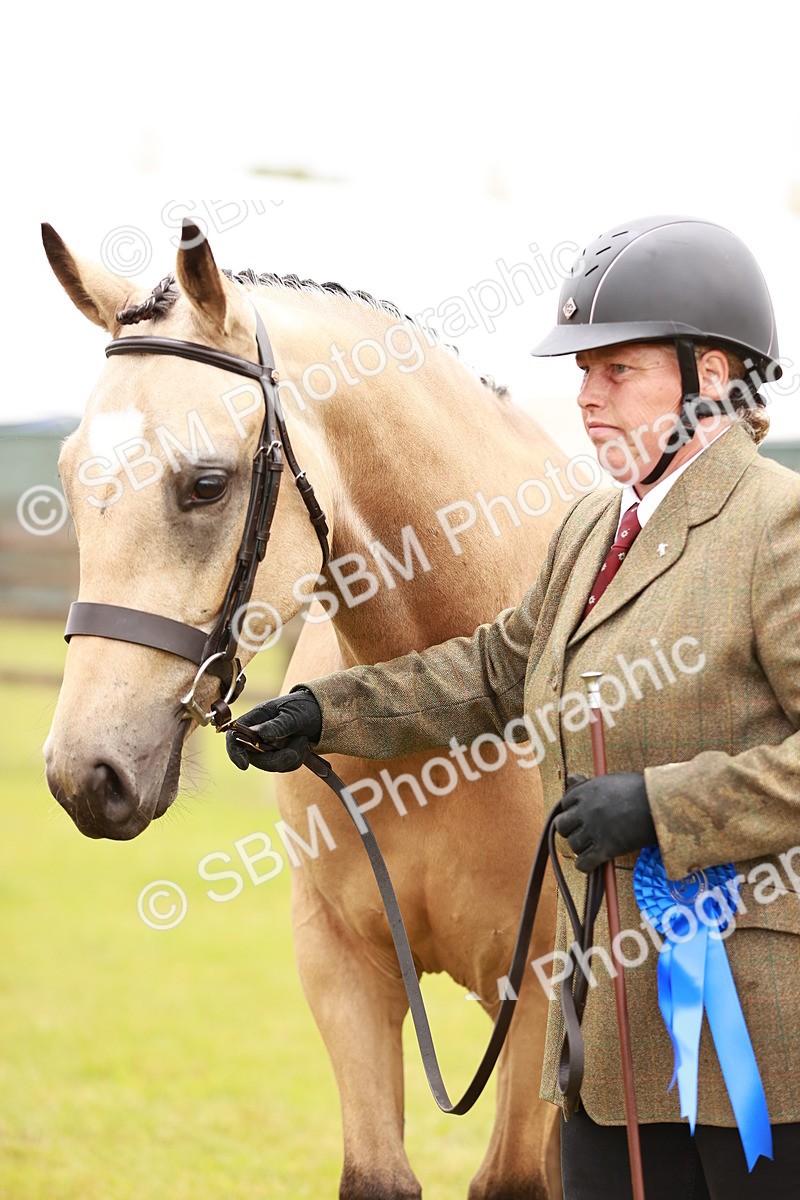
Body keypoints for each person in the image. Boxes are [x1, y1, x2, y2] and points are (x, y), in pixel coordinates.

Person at [226, 215, 800, 1199]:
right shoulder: (591, 529)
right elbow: (494, 671)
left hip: (750, 1027)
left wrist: (659, 807)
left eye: (616, 370)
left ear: (708, 374)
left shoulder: (778, 526)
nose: (584, 397)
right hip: (603, 1035)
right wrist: (327, 713)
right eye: (582, 372)